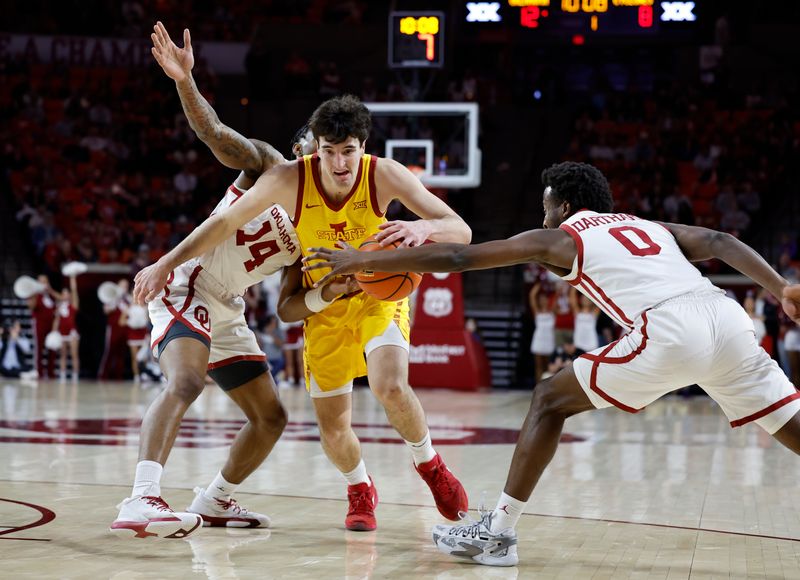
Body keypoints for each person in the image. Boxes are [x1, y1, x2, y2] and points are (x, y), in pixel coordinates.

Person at [302, 161, 800, 566]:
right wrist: (780, 288)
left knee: (547, 400)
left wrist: (359, 262)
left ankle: (498, 534)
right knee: (789, 424)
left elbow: (457, 258)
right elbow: (718, 242)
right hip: (727, 317)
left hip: (670, 328)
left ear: (562, 206)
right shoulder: (646, 225)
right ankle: (497, 532)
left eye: (545, 206)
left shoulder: (563, 238)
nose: (542, 216)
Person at [133, 91, 472, 530]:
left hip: (358, 297)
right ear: (305, 150)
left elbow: (459, 229)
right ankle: (357, 487)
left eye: (343, 151)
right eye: (321, 151)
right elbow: (216, 144)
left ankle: (430, 467)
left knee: (347, 396)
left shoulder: (372, 180)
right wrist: (184, 82)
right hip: (214, 293)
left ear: (361, 147)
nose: (332, 163)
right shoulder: (279, 175)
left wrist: (421, 226)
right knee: (210, 389)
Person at [111, 22, 336, 540]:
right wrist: (185, 82)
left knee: (271, 417)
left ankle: (214, 500)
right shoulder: (266, 166)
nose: (312, 158)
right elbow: (212, 132)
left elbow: (288, 308)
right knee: (186, 381)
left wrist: (329, 292)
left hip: (226, 305)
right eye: (310, 145)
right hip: (187, 281)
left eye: (323, 153)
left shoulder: (320, 229)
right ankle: (142, 496)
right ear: (302, 146)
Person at [54, 274, 80, 382]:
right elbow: (56, 320)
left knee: (74, 354)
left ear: (69, 295)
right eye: (63, 294)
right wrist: (54, 331)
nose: (65, 295)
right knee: (63, 354)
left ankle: (75, 375)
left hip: (72, 332)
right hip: (62, 332)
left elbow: (74, 292)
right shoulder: (59, 306)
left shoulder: (73, 304)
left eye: (67, 294)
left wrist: (72, 281)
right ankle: (63, 374)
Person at [528, 282, 555, 385]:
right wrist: (537, 285)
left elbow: (557, 296)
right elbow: (531, 297)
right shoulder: (537, 312)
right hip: (539, 339)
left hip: (549, 339)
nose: (543, 301)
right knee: (538, 366)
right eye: (541, 299)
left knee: (548, 365)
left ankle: (548, 386)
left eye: (545, 299)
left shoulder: (552, 311)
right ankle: (538, 385)